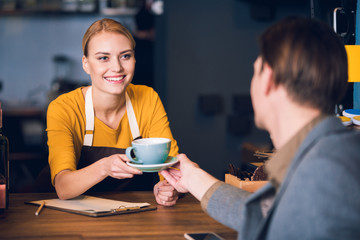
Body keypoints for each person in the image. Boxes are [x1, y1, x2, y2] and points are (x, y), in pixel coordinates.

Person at [161, 16, 360, 239]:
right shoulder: (326, 153)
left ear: (268, 80)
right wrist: (193, 178)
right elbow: (265, 216)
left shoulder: (322, 172)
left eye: (255, 72)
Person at [46, 18, 180, 206]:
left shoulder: (148, 98)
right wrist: (104, 167)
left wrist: (166, 187)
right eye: (103, 58)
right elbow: (63, 187)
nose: (117, 67)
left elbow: (171, 168)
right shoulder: (64, 108)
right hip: (73, 215)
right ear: (85, 64)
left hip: (132, 214)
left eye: (125, 56)